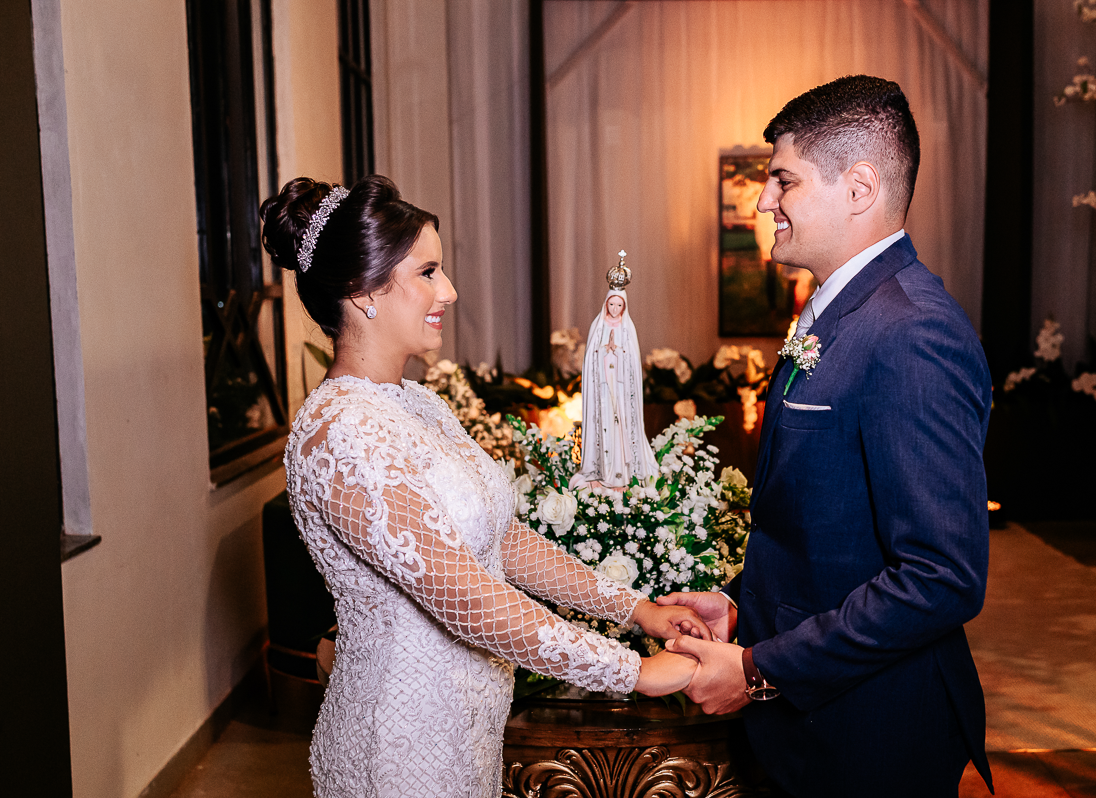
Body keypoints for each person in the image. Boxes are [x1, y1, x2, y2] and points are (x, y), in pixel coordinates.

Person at [262, 175, 707, 797]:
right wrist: (633, 671)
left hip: (464, 732)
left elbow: (502, 542)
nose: (449, 289)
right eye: (427, 272)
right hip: (399, 745)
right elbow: (464, 595)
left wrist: (637, 610)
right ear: (362, 291)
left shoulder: (416, 404)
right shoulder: (342, 432)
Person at [659, 76, 995, 797]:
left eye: (783, 180)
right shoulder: (836, 312)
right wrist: (744, 604)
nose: (762, 202)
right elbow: (827, 529)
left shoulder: (912, 331)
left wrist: (759, 670)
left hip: (870, 734)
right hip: (813, 727)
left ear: (859, 187)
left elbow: (942, 576)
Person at [571, 287, 658, 489]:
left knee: (620, 427)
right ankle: (601, 471)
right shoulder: (598, 326)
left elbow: (633, 360)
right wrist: (604, 351)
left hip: (619, 388)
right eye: (612, 304)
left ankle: (621, 473)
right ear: (606, 304)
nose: (615, 308)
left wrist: (617, 352)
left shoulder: (627, 328)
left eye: (619, 305)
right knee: (604, 425)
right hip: (602, 387)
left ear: (624, 306)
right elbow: (591, 357)